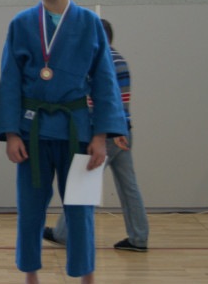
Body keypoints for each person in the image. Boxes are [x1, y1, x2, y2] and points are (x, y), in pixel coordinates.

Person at [0, 0, 127, 284]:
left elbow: (105, 81)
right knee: (30, 210)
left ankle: (86, 278)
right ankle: (31, 277)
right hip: (31, 133)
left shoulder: (89, 23)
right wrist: (11, 134)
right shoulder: (21, 24)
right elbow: (10, 81)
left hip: (77, 131)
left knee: (80, 211)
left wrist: (100, 136)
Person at [44, 19, 149, 252]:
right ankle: (139, 237)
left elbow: (99, 101)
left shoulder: (100, 62)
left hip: (106, 134)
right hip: (123, 131)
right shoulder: (120, 59)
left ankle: (64, 233)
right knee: (128, 187)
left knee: (81, 182)